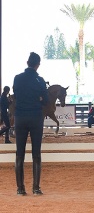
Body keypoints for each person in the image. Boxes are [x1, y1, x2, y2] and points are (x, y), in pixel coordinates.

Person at [13, 52, 49, 196]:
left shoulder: (17, 78)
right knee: (36, 153)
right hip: (35, 117)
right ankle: (36, 188)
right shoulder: (40, 81)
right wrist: (38, 99)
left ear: (27, 62)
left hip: (20, 117)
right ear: (37, 65)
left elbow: (16, 95)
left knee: (19, 154)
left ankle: (20, 188)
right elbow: (46, 101)